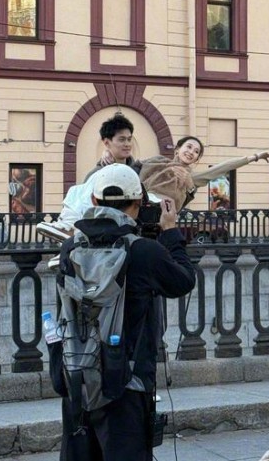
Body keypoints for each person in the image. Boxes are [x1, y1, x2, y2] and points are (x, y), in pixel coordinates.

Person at [58, 164, 196, 461]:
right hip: (128, 382)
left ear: (93, 200)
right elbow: (183, 281)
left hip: (78, 377)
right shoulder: (143, 251)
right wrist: (170, 231)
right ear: (138, 204)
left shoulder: (70, 248)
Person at [138, 136, 269, 211]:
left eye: (196, 152)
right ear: (177, 149)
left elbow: (222, 168)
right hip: (138, 209)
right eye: (189, 147)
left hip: (161, 218)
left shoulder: (192, 177)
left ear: (196, 159)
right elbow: (132, 170)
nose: (191, 152)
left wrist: (255, 157)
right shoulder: (157, 162)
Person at [84, 113, 142, 181]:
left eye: (129, 139)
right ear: (107, 142)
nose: (127, 144)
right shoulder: (95, 176)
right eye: (122, 139)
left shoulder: (140, 172)